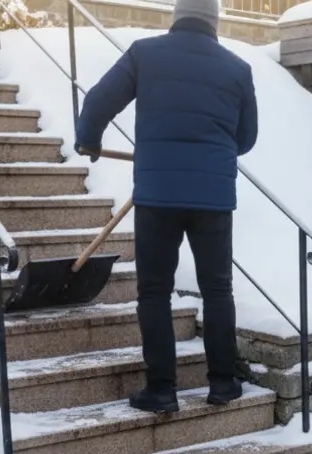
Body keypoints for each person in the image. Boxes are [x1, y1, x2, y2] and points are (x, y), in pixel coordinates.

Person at [74, 0, 258, 414]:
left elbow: (100, 100)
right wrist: (214, 148)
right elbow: (246, 138)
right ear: (215, 21)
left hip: (158, 196)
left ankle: (161, 390)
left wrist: (89, 139)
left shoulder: (146, 53)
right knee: (218, 289)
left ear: (177, 16)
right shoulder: (237, 69)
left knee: (154, 291)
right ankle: (224, 383)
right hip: (213, 199)